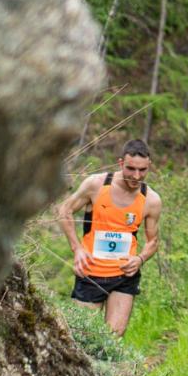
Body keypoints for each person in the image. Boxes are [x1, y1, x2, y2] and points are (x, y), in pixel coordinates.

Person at [58, 139, 162, 337]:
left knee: (113, 337)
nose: (136, 176)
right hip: (90, 272)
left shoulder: (151, 200)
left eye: (142, 170)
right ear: (120, 163)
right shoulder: (96, 185)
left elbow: (153, 241)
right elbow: (64, 211)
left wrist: (140, 259)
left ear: (149, 166)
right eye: (131, 169)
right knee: (82, 336)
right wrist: (77, 249)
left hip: (124, 276)